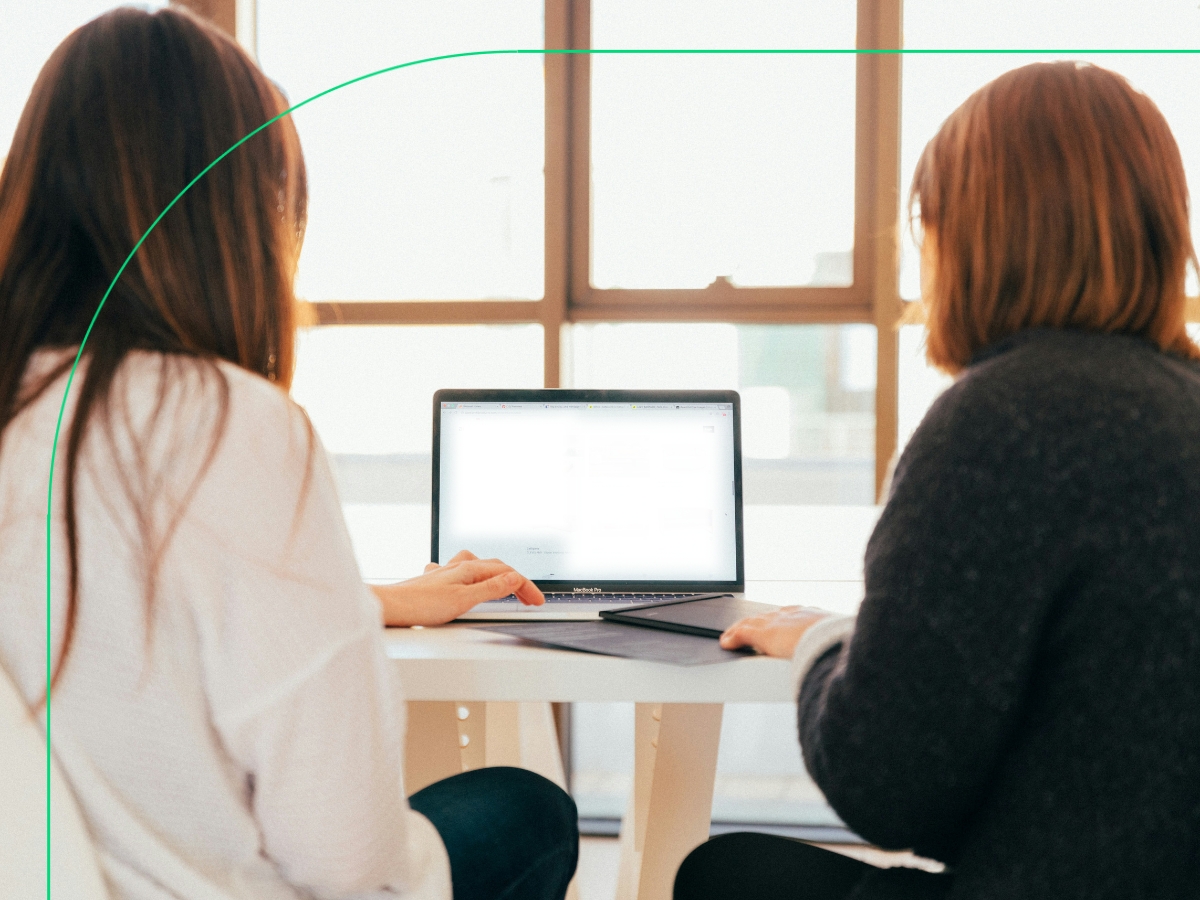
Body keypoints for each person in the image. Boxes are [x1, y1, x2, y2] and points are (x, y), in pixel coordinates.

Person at [0, 7, 576, 900]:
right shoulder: (227, 426)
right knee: (527, 810)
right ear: (237, 220)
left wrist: (368, 601)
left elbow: (111, 611)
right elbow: (349, 863)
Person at [678, 61, 1200, 899]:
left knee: (725, 875)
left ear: (971, 233)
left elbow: (886, 784)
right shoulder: (1182, 399)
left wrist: (821, 644)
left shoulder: (1004, 418)